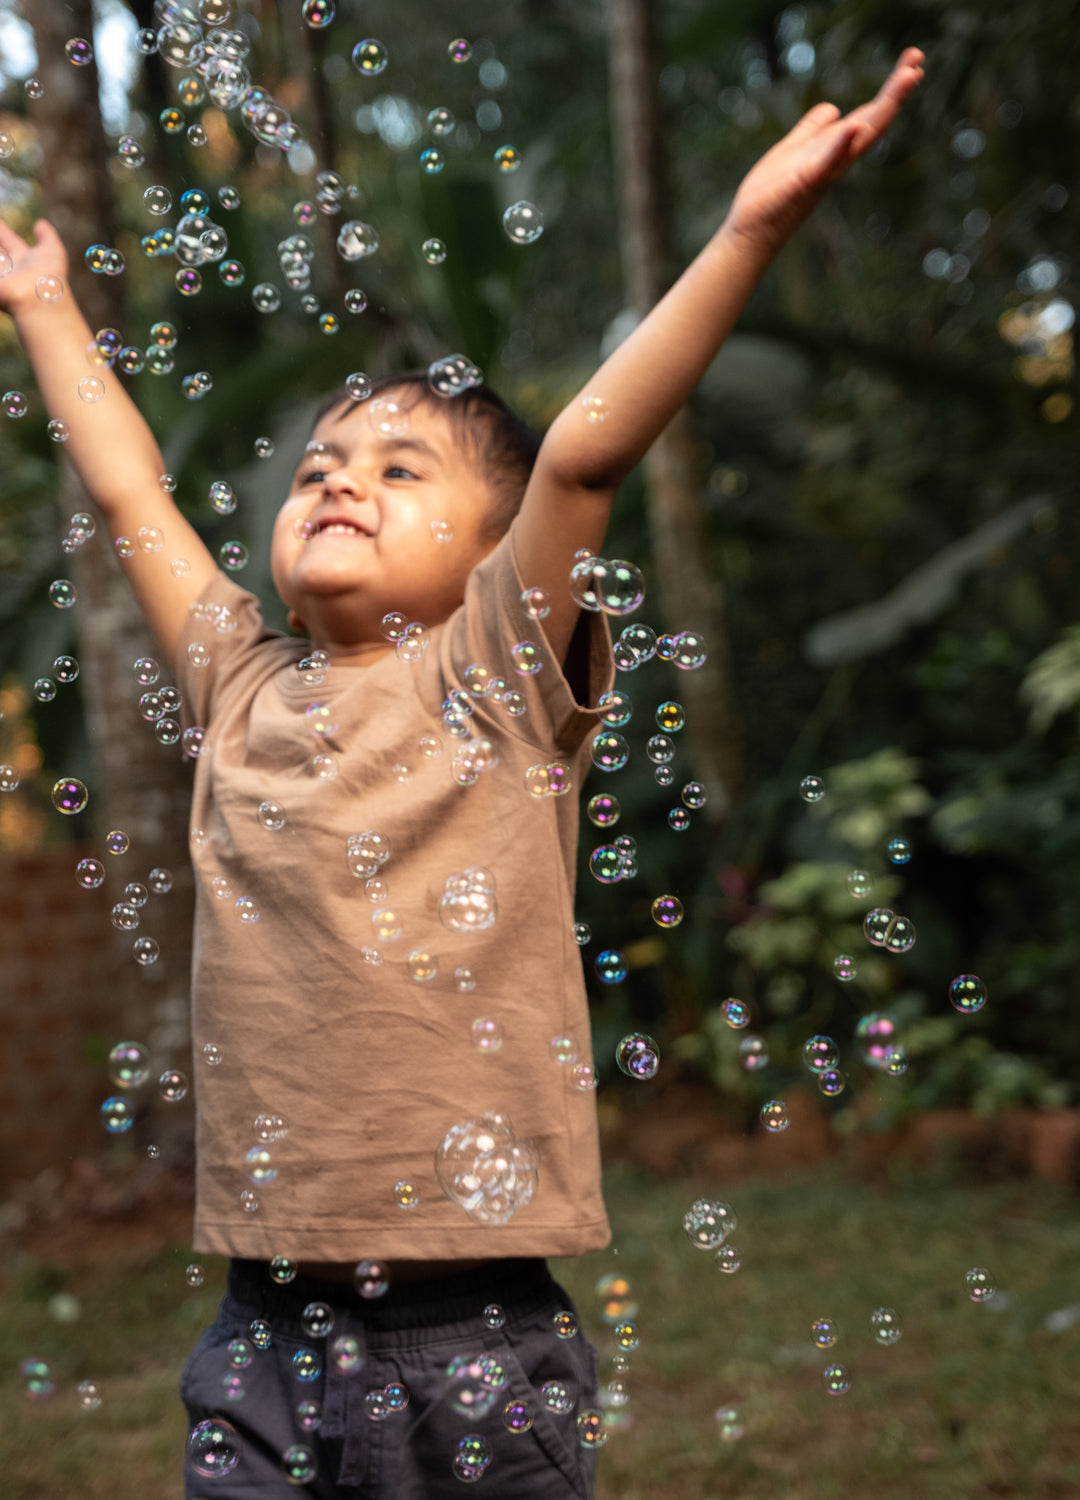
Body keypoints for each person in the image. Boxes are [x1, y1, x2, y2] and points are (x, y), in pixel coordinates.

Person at [0, 45, 924, 1499]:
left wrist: (749, 232)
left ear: (495, 560)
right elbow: (128, 490)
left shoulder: (493, 677)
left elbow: (581, 469)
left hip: (477, 1332)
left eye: (400, 465)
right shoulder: (240, 687)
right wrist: (47, 308)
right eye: (316, 464)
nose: (337, 479)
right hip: (263, 1326)